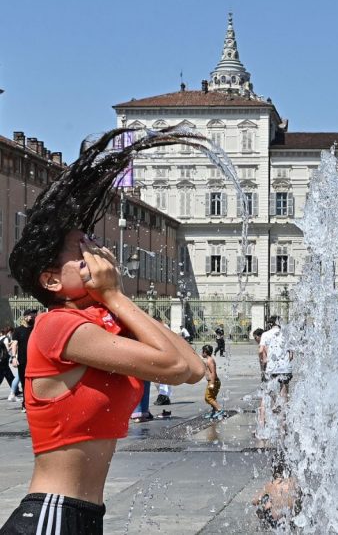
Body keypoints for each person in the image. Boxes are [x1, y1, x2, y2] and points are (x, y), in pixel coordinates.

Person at [0, 126, 206, 534]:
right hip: (51, 515)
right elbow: (168, 365)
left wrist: (115, 299)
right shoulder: (57, 326)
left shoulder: (99, 322)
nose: (98, 255)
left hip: (81, 515)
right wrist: (113, 294)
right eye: (83, 252)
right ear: (52, 281)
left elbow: (191, 368)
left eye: (93, 244)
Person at [252, 452, 300, 528]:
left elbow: (255, 501)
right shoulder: (294, 482)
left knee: (265, 502)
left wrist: (266, 503)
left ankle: (266, 522)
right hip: (292, 519)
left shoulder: (271, 484)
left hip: (275, 521)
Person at [10, 309, 38, 412]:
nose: (33, 318)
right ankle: (25, 404)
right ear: (25, 317)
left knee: (35, 383)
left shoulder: (36, 329)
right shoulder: (18, 330)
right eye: (31, 316)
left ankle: (34, 403)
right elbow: (14, 344)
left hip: (36, 360)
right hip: (23, 361)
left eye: (34, 316)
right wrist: (13, 358)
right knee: (24, 383)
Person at [201, 344, 225, 419]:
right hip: (213, 381)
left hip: (213, 381)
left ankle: (220, 410)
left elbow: (213, 372)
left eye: (202, 351)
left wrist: (211, 383)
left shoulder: (210, 361)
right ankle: (214, 412)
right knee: (212, 397)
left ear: (205, 352)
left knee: (208, 397)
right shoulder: (208, 360)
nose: (201, 353)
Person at [0, 326, 14, 397]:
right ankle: (15, 389)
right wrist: (13, 345)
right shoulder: (6, 339)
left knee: (9, 375)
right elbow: (7, 349)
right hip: (4, 359)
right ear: (9, 332)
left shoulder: (1, 338)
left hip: (2, 360)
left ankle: (15, 389)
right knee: (2, 375)